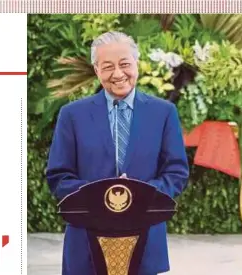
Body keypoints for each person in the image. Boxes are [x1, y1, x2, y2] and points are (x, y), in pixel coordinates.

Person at [46, 31, 190, 275]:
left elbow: (176, 172)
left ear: (136, 63)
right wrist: (100, 196)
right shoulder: (72, 115)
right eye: (108, 66)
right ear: (96, 69)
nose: (118, 74)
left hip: (145, 241)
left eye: (125, 64)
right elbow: (59, 175)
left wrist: (139, 196)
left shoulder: (163, 113)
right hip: (85, 244)